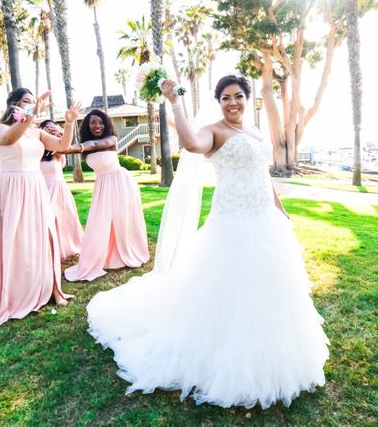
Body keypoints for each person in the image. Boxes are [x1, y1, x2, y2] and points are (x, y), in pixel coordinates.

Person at [85, 75, 329, 409]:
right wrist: (175, 102)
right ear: (218, 101)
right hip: (231, 223)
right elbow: (190, 143)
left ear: (247, 97)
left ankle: (270, 355)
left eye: (239, 96)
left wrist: (281, 210)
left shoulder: (256, 131)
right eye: (226, 97)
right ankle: (229, 358)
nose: (233, 102)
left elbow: (262, 174)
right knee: (230, 291)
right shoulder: (214, 132)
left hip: (264, 222)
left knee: (270, 288)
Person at [0, 88, 81, 328]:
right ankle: (13, 290)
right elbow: (11, 139)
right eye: (26, 102)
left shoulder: (37, 132)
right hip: (10, 188)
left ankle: (46, 287)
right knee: (13, 236)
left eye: (33, 103)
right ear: (13, 104)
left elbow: (63, 145)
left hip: (35, 186)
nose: (31, 106)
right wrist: (33, 112)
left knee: (40, 237)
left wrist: (70, 123)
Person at [63, 109, 149, 281]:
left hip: (120, 182)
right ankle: (106, 254)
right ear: (87, 125)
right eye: (93, 122)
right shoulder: (86, 144)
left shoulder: (111, 139)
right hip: (102, 185)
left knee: (122, 218)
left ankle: (126, 251)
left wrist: (73, 148)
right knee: (101, 221)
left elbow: (94, 145)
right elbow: (90, 145)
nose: (98, 126)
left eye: (101, 122)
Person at [39, 119, 83, 260]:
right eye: (47, 128)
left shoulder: (57, 151)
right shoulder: (36, 150)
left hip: (58, 189)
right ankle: (46, 248)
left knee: (60, 219)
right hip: (41, 189)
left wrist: (60, 133)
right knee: (45, 220)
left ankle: (65, 246)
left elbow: (64, 145)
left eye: (53, 128)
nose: (50, 130)